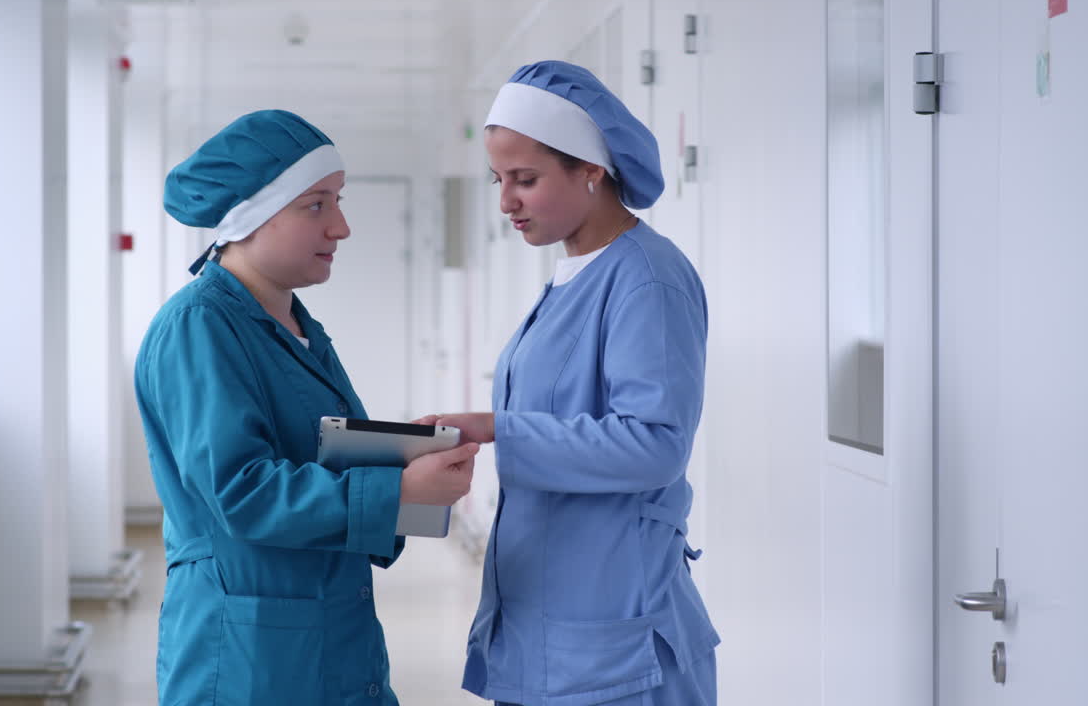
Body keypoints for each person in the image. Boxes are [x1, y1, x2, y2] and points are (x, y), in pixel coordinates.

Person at [135, 109, 478, 705]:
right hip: (248, 657)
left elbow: (324, 452)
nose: (340, 227)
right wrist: (399, 493)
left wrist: (408, 474)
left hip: (326, 636)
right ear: (253, 214)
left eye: (337, 201)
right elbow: (240, 492)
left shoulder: (294, 325)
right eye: (316, 205)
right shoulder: (200, 327)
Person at [420, 61, 718, 706]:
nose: (506, 202)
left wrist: (497, 428)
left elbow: (655, 444)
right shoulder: (573, 275)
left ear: (591, 170)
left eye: (526, 180)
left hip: (616, 636)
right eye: (499, 180)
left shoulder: (646, 279)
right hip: (553, 614)